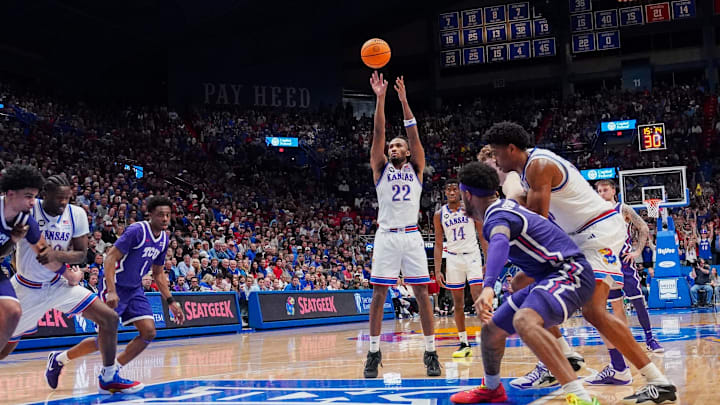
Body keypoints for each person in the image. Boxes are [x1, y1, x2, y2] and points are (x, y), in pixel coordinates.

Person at [486, 122, 676, 404]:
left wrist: (509, 203)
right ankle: (566, 355)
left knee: (594, 310)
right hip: (577, 237)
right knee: (520, 283)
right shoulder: (529, 169)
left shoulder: (538, 166)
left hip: (598, 232)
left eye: (496, 153)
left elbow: (538, 219)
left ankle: (657, 380)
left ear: (511, 149)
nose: (496, 160)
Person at [450, 162, 598, 404]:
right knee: (491, 332)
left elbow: (499, 241)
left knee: (523, 321)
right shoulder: (503, 207)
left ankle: (581, 397)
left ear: (467, 195)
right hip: (550, 276)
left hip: (571, 273)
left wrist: (488, 285)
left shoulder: (496, 216)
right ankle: (492, 388)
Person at [0, 171, 141, 393]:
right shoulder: (28, 208)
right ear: (44, 195)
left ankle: (109, 377)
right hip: (28, 288)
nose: (63, 203)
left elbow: (81, 254)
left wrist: (57, 258)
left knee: (109, 319)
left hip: (60, 284)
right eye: (59, 198)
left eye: (67, 198)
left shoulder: (76, 214)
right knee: (4, 346)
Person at [45, 196, 185, 391]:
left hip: (135, 288)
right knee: (103, 339)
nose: (165, 219)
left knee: (149, 332)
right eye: (161, 214)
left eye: (168, 215)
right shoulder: (137, 230)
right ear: (151, 214)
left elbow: (158, 273)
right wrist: (111, 290)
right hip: (115, 285)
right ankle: (60, 360)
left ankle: (110, 371)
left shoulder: (164, 239)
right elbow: (110, 257)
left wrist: (170, 301)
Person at [363, 72, 440, 378]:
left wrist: (405, 101)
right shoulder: (380, 167)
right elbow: (378, 132)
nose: (393, 148)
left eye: (399, 146)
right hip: (386, 236)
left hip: (411, 236)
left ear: (407, 152)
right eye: (391, 146)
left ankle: (431, 352)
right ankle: (372, 352)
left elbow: (415, 135)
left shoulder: (417, 167)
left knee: (422, 293)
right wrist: (381, 99)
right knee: (379, 295)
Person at [596, 180, 664, 360]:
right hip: (607, 263)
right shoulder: (594, 212)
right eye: (599, 191)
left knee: (638, 301)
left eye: (605, 190)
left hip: (624, 262)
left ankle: (650, 339)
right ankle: (625, 341)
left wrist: (638, 251)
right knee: (616, 306)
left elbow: (642, 227)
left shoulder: (622, 208)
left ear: (613, 191)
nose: (602, 193)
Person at [433, 178, 485, 358]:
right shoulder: (439, 214)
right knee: (458, 303)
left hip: (472, 256)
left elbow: (482, 236)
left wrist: (488, 260)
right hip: (453, 259)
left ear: (460, 192)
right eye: (449, 190)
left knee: (479, 297)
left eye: (455, 189)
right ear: (445, 193)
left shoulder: (471, 209)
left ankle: (488, 337)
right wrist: (438, 270)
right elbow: (439, 244)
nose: (452, 192)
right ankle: (464, 343)